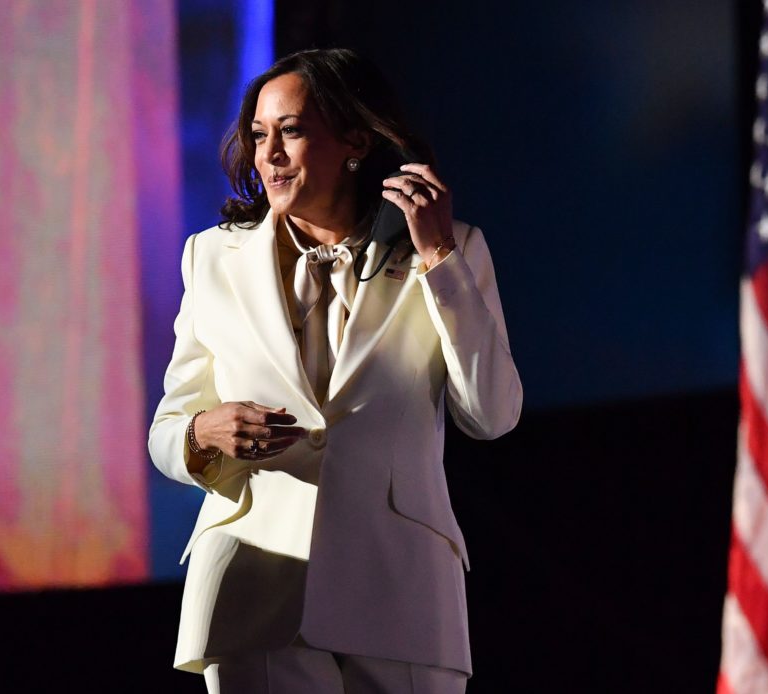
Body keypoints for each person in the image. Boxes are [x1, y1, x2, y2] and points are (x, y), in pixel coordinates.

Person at [149, 47, 522, 693]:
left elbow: (491, 415)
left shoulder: (450, 249)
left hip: (401, 586)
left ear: (355, 139)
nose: (269, 153)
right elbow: (167, 428)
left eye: (290, 132)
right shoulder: (210, 258)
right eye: (258, 135)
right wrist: (201, 432)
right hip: (252, 586)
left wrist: (437, 258)